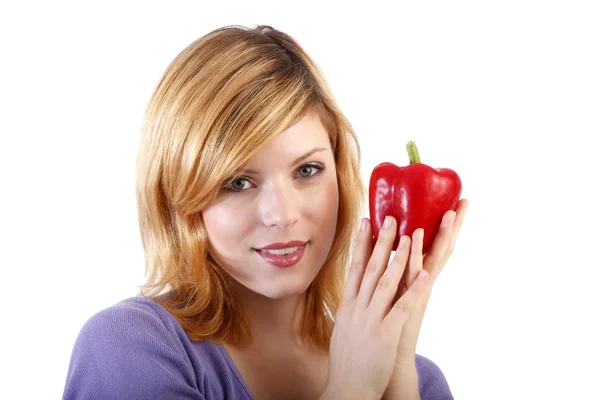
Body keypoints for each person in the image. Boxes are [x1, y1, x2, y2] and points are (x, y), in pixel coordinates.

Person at [63, 24, 468, 400]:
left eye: (307, 170)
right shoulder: (130, 347)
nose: (283, 215)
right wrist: (352, 389)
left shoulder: (421, 383)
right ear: (179, 194)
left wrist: (397, 377)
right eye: (238, 182)